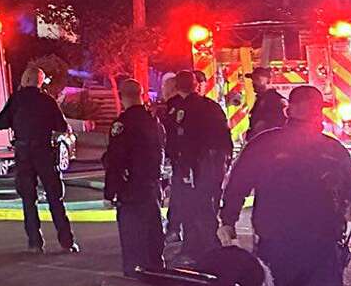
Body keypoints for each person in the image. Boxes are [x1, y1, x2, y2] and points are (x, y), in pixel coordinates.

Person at [218, 84, 351, 286]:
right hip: (320, 247)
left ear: (289, 110)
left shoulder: (265, 143)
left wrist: (228, 220)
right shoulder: (333, 149)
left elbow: (238, 183)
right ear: (320, 114)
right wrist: (346, 209)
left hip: (280, 246)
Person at [0, 66, 78, 254]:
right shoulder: (47, 100)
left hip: (23, 153)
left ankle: (35, 243)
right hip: (44, 153)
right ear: (40, 82)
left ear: (25, 80)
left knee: (28, 199)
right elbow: (61, 125)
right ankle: (67, 241)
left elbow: (1, 122)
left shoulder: (16, 100)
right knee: (55, 198)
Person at [166, 69, 234, 265]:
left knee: (195, 211)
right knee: (203, 209)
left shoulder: (177, 107)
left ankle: (201, 251)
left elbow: (174, 139)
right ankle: (204, 250)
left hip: (194, 168)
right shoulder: (210, 107)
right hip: (203, 169)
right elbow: (224, 140)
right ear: (197, 84)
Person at [104, 78, 165, 275]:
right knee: (153, 236)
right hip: (152, 187)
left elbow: (116, 159)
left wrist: (109, 192)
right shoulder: (154, 122)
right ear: (141, 95)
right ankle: (157, 275)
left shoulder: (122, 124)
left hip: (131, 189)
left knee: (133, 241)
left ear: (121, 97)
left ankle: (136, 281)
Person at [248, 67, 289, 138]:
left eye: (257, 79)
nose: (254, 82)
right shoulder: (261, 99)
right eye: (253, 80)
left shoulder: (274, 100)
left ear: (268, 80)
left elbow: (276, 124)